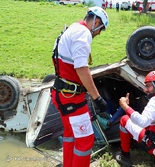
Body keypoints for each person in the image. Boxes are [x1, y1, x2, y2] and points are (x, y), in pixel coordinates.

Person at [51, 6, 109, 167]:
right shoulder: (83, 33)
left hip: (60, 94)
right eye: (100, 29)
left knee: (70, 135)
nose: (98, 33)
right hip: (72, 99)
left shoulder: (70, 30)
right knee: (85, 141)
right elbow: (82, 68)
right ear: (96, 22)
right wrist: (97, 98)